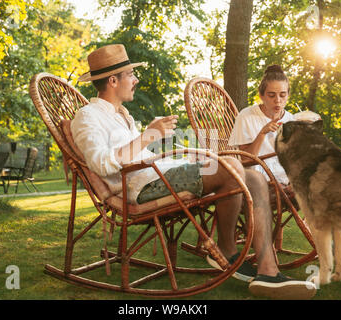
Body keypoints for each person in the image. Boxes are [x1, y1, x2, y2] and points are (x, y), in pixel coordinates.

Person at [71, 45, 317, 299]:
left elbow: (139, 155)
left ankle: (267, 272)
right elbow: (101, 163)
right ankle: (226, 249)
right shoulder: (87, 117)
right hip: (142, 188)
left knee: (251, 175)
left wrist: (183, 154)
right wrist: (148, 135)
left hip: (160, 174)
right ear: (113, 81)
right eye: (131, 75)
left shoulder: (123, 116)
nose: (135, 80)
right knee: (231, 165)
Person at [228, 64, 341, 272]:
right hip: (261, 179)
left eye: (282, 95)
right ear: (261, 95)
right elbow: (245, 160)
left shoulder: (290, 119)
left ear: (288, 95)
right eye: (271, 95)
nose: (277, 101)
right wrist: (263, 133)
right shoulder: (246, 117)